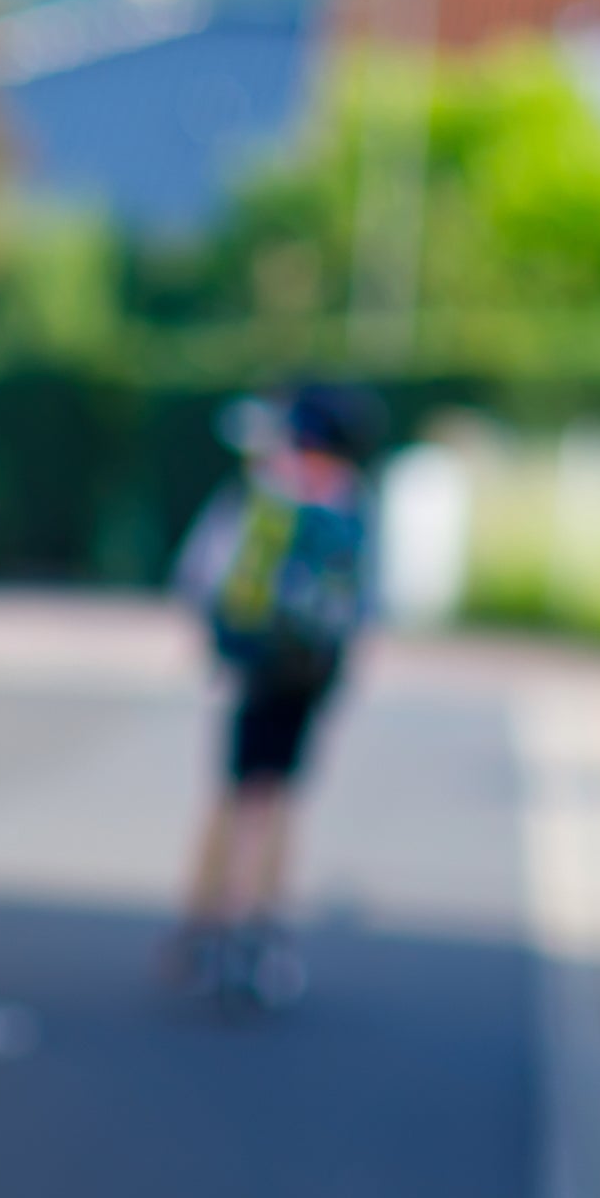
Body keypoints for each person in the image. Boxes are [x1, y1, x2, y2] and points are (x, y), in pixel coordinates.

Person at [164, 381, 386, 1004]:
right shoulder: (351, 499)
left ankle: (210, 923)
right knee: (280, 795)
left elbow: (200, 571)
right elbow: (367, 598)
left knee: (238, 792)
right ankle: (262, 925)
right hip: (314, 668)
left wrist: (217, 638)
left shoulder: (265, 490)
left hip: (256, 663)